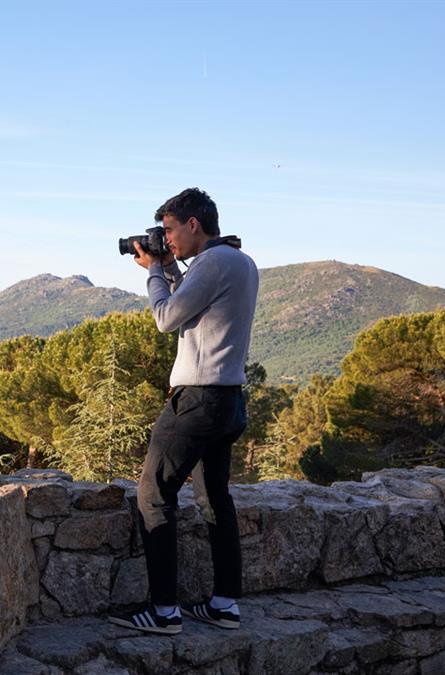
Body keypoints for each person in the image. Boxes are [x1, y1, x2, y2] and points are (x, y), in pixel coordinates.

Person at [109, 187, 259, 635]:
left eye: (170, 230)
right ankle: (224, 604)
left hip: (197, 400)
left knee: (153, 497)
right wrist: (171, 268)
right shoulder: (240, 261)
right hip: (229, 400)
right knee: (216, 499)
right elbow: (196, 305)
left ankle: (164, 612)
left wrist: (154, 271)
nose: (166, 239)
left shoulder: (213, 262)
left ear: (194, 224)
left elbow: (167, 317)